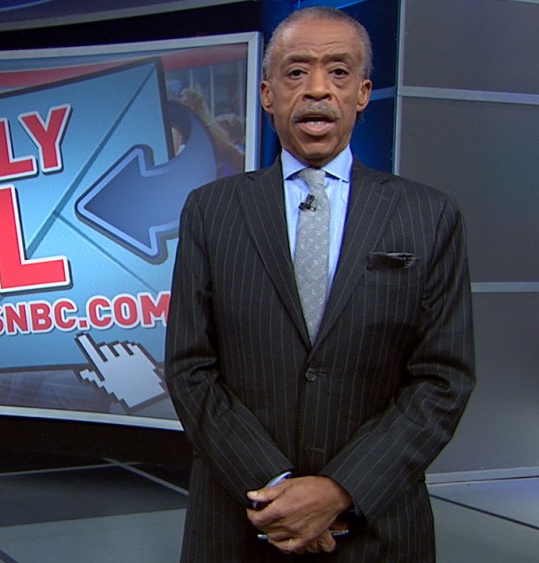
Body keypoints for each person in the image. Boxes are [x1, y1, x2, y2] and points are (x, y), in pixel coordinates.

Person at [165, 7, 474, 561]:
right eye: (295, 71)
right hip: (239, 523)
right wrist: (278, 491)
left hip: (378, 530)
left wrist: (339, 491)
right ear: (267, 94)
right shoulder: (210, 211)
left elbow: (442, 379)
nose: (316, 89)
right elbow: (190, 368)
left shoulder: (429, 215)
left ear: (362, 93)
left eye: (338, 71)